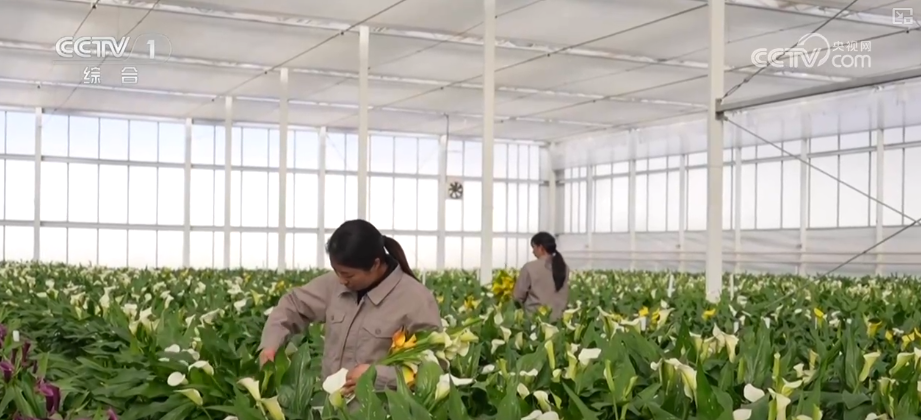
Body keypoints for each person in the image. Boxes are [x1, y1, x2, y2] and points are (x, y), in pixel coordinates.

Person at [258, 219, 442, 395]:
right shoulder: (334, 284)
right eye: (336, 271)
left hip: (379, 410)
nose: (341, 280)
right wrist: (270, 345)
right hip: (329, 407)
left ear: (375, 264)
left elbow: (435, 365)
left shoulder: (415, 299)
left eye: (348, 275)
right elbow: (293, 305)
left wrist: (377, 376)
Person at [512, 232, 569, 321]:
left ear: (541, 247)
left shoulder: (530, 267)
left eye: (533, 247)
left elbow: (517, 297)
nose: (533, 251)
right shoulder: (563, 267)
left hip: (535, 320)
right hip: (559, 320)